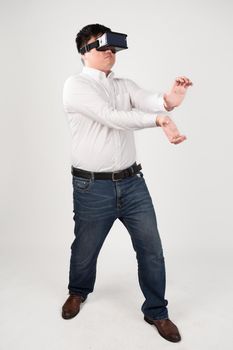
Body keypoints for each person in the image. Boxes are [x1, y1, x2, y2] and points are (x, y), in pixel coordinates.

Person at [62, 23, 192, 343]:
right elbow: (111, 117)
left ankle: (157, 312)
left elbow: (152, 99)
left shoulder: (124, 85)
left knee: (151, 250)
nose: (108, 53)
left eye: (112, 48)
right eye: (100, 47)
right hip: (93, 188)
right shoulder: (76, 86)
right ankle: (78, 291)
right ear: (83, 52)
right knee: (85, 249)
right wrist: (158, 120)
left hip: (133, 183)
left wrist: (170, 100)